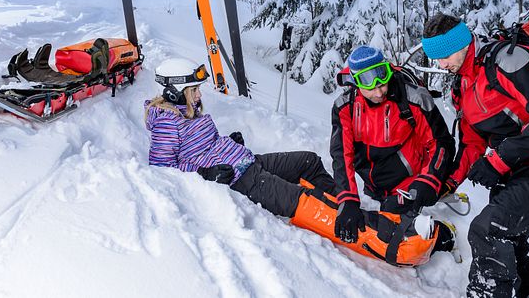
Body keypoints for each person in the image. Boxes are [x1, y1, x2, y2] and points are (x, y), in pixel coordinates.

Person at [145, 57, 456, 267]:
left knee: (308, 162)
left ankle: (345, 206)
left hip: (247, 161)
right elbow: (162, 169)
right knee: (307, 202)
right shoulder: (166, 123)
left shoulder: (190, 113)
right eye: (193, 90)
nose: (199, 95)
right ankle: (405, 240)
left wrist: (226, 143)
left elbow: (200, 146)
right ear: (173, 92)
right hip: (241, 179)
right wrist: (206, 171)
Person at [421, 13, 529, 298]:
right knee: (511, 244)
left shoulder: (507, 61)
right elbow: (472, 144)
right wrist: (445, 185)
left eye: (445, 54)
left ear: (462, 43)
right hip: (515, 169)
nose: (441, 64)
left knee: (488, 230)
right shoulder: (463, 86)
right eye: (435, 57)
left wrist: (497, 160)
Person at [330, 45, 456, 244]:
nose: (379, 91)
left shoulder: (414, 98)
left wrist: (428, 181)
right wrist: (347, 199)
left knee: (394, 230)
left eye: (383, 80)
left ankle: (443, 233)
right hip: (373, 185)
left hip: (409, 183)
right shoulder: (345, 107)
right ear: (355, 82)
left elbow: (441, 143)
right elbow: (341, 155)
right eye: (370, 85)